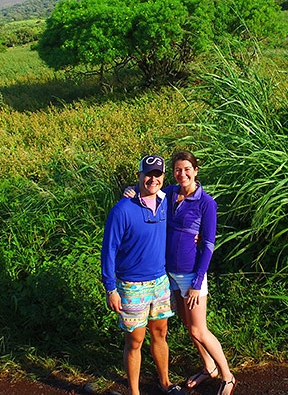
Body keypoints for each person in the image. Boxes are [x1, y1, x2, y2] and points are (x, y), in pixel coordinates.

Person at [126, 150, 237, 395]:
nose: (182, 174)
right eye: (177, 170)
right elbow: (148, 189)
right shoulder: (171, 194)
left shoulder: (206, 203)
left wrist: (198, 281)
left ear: (196, 171)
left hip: (191, 275)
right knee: (188, 324)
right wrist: (130, 189)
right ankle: (209, 367)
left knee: (199, 328)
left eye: (187, 169)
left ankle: (227, 376)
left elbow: (208, 244)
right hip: (169, 273)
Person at [101, 155, 185, 395]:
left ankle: (165, 382)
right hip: (131, 285)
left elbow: (188, 194)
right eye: (148, 174)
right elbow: (109, 250)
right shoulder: (122, 210)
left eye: (157, 174)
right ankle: (135, 392)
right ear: (138, 175)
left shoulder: (166, 201)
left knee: (160, 333)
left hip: (160, 282)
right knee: (135, 341)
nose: (153, 179)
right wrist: (111, 289)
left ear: (163, 177)